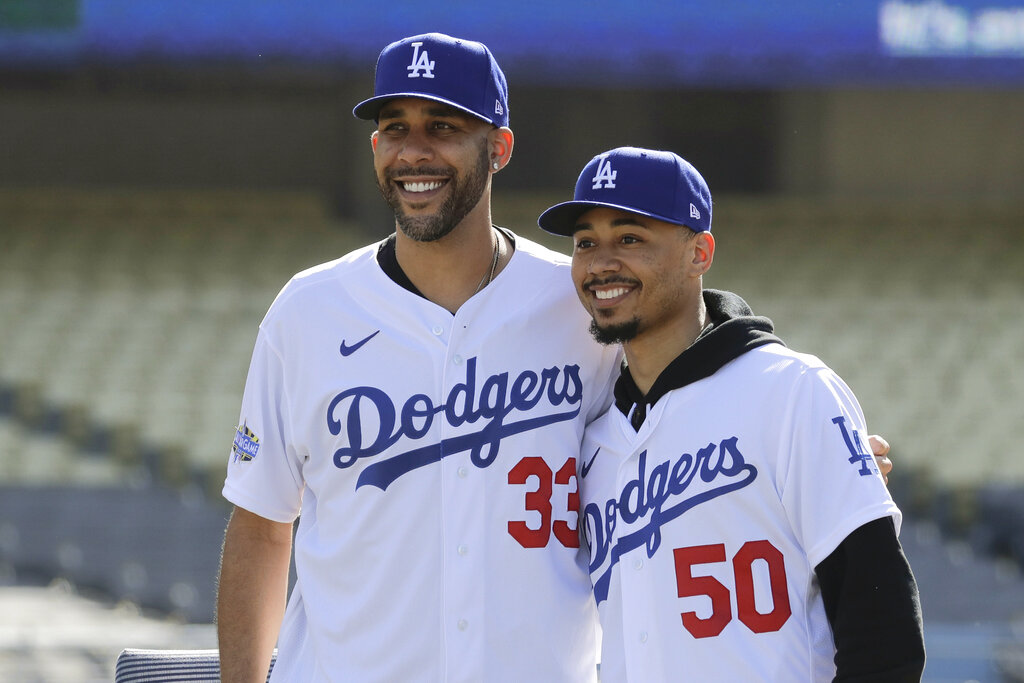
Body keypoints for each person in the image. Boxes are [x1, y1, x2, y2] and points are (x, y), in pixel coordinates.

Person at [215, 34, 894, 682]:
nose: (414, 151)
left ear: (500, 146)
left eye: (444, 127)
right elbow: (262, 525)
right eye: (396, 127)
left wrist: (817, 452)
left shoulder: (580, 303)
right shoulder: (307, 313)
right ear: (374, 145)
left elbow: (689, 390)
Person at [537, 147, 926, 681]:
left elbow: (883, 629)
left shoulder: (791, 392)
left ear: (700, 252)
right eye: (586, 243)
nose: (602, 262)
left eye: (630, 238)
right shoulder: (592, 437)